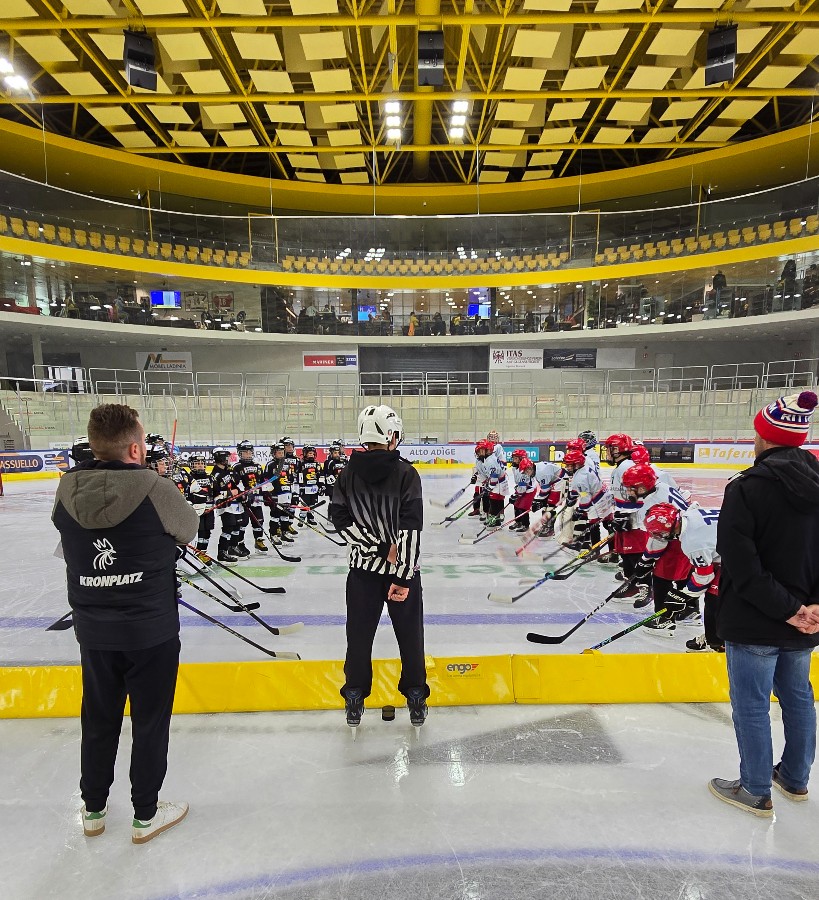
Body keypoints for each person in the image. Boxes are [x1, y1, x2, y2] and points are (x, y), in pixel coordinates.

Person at [51, 404, 198, 844]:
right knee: (150, 720)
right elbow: (188, 528)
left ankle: (93, 808)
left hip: (94, 630)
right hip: (150, 630)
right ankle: (145, 814)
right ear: (135, 447)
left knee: (98, 716)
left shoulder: (65, 489)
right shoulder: (156, 488)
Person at [710, 390, 819, 817]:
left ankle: (755, 789)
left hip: (757, 622)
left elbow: (741, 566)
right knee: (798, 697)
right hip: (805, 624)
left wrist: (788, 609)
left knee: (752, 704)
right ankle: (794, 778)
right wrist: (811, 608)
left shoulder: (746, 489)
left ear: (763, 435)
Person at [329, 404, 429, 731]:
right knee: (410, 637)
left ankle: (354, 695)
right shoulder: (406, 474)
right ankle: (415, 694)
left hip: (361, 573)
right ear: (391, 436)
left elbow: (339, 521)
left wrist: (373, 547)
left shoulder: (346, 474)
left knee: (358, 637)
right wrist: (402, 575)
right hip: (402, 574)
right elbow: (411, 530)